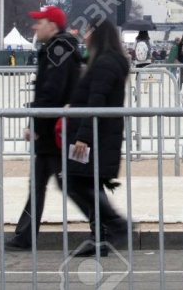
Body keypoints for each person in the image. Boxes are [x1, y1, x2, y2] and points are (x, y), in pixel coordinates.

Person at [5, 6, 82, 251]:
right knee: (42, 185)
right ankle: (24, 236)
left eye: (40, 22)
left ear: (53, 25)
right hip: (54, 130)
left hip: (55, 131)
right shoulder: (56, 49)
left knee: (73, 186)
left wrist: (36, 123)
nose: (35, 27)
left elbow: (52, 92)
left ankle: (109, 225)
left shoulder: (57, 50)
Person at [65, 19, 131, 257]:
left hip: (91, 136)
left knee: (76, 181)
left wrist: (83, 137)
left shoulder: (104, 63)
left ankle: (114, 226)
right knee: (85, 182)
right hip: (96, 133)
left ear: (99, 34)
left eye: (88, 31)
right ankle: (100, 237)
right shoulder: (107, 61)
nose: (84, 36)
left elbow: (96, 102)